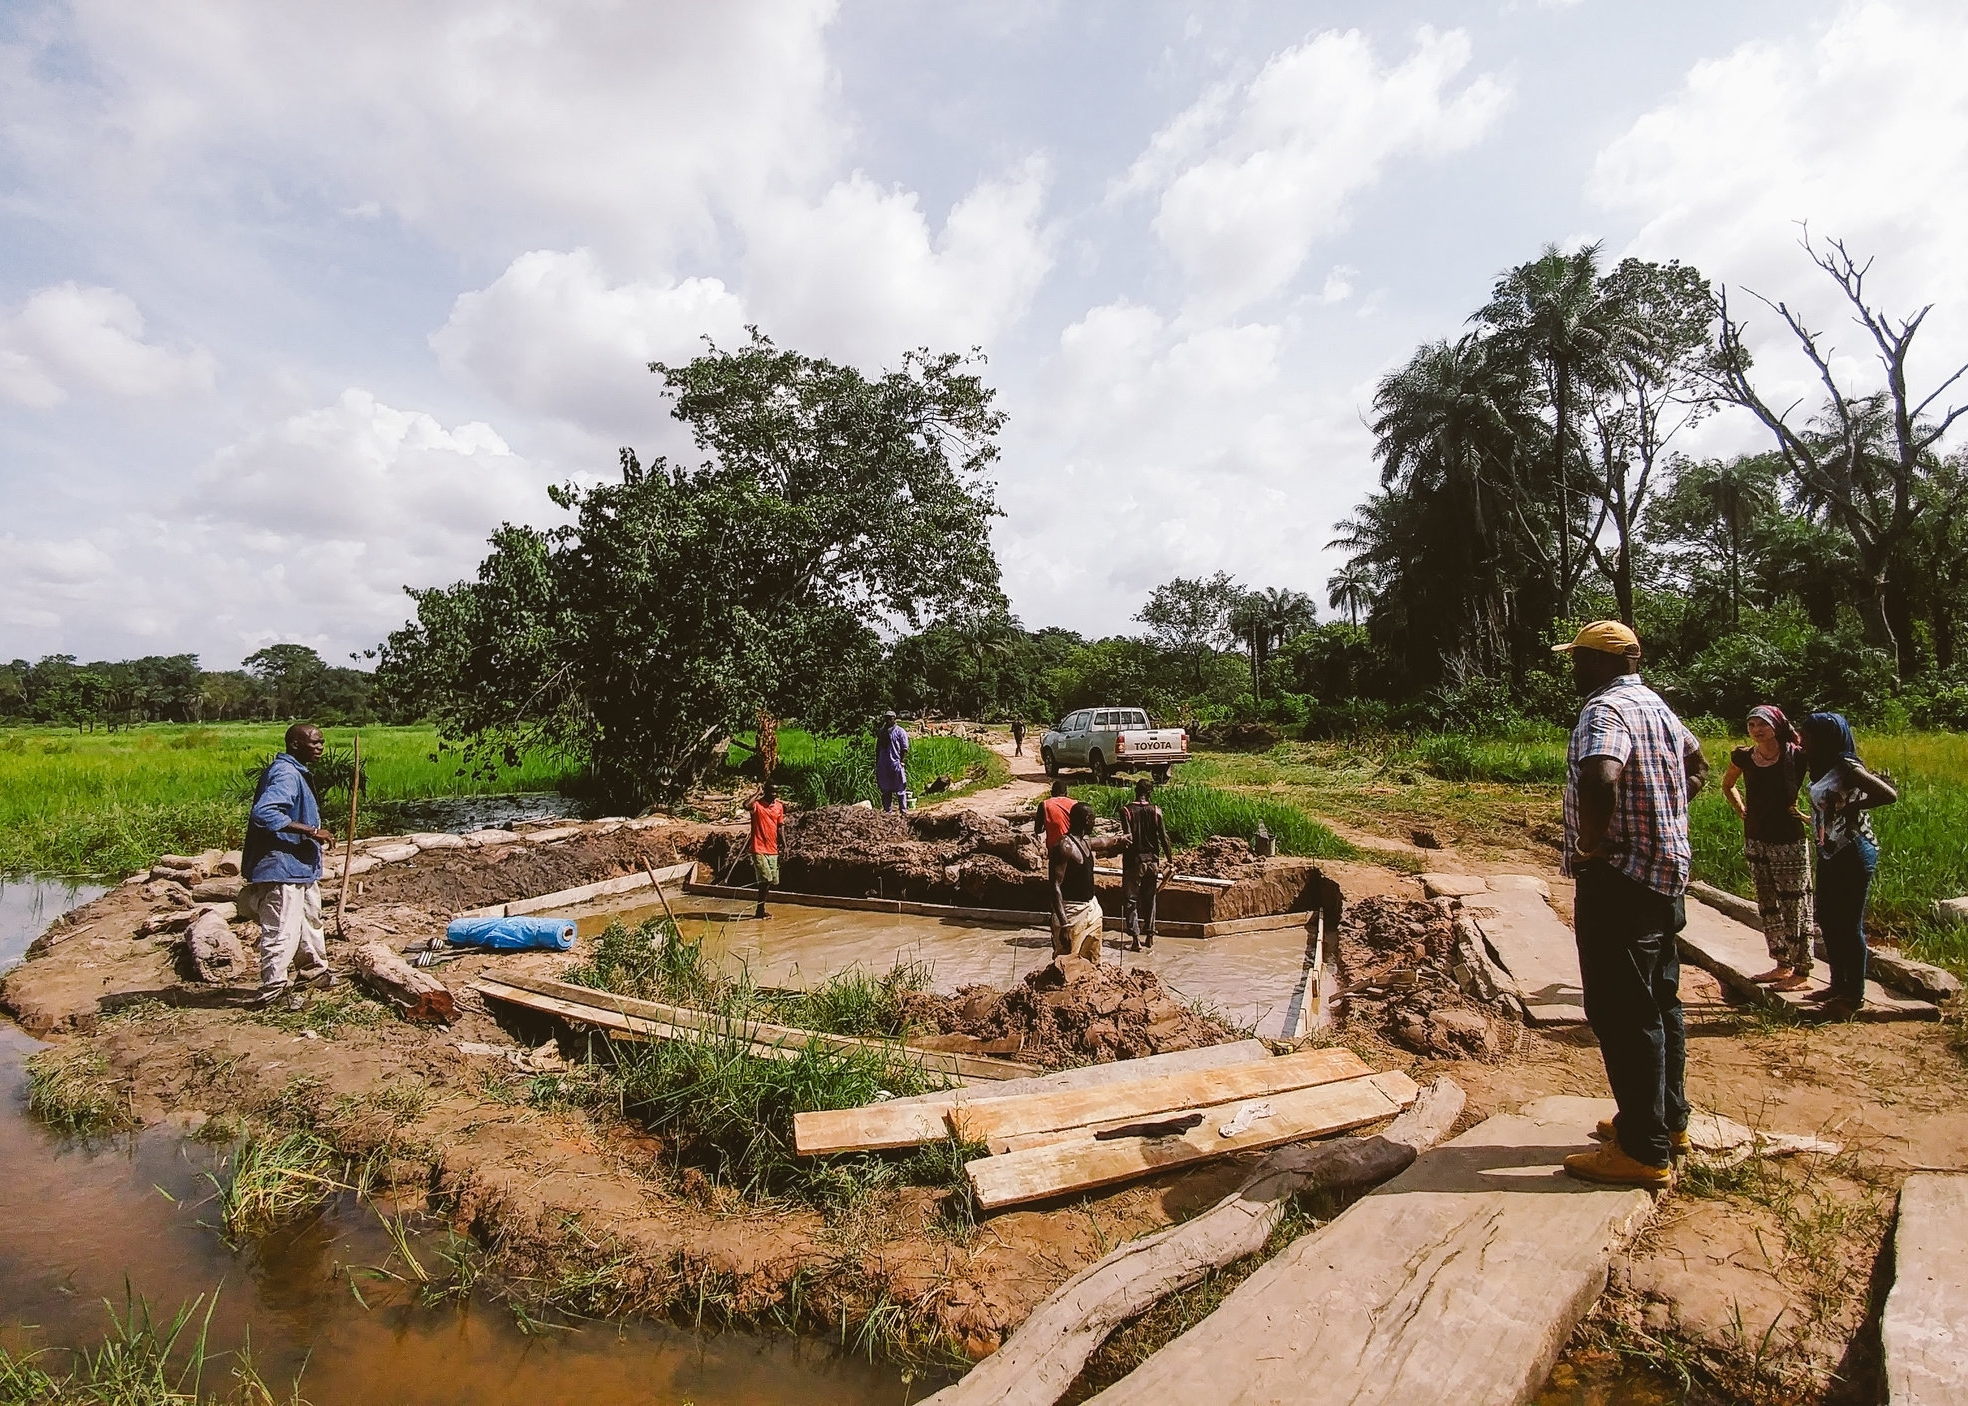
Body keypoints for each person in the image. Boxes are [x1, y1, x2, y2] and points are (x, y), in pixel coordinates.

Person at [1554, 621, 1707, 1188]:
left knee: (1622, 1010)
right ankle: (1666, 1124)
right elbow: (1697, 765)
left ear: (1598, 662)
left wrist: (1594, 844)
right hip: (1664, 875)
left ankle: (1642, 1151)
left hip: (1619, 878)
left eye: (1578, 660)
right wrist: (1665, 812)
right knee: (1661, 999)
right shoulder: (1658, 708)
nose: (1573, 670)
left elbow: (1601, 778)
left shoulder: (1604, 711)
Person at [1799, 713, 1897, 1021]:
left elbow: (1888, 794)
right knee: (1827, 919)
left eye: (1808, 736)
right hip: (1830, 851)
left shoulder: (1847, 767)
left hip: (1853, 851)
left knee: (1848, 924)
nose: (1803, 741)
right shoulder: (1823, 766)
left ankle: (1854, 995)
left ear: (1826, 739)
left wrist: (1852, 806)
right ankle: (1837, 984)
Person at [240, 723, 338, 1010]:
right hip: (281, 866)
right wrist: (309, 831)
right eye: (315, 743)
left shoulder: (296, 772)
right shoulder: (285, 773)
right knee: (282, 928)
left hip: (299, 865)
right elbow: (265, 812)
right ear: (295, 744)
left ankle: (313, 972)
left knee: (310, 920)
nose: (320, 747)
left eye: (322, 742)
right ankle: (273, 991)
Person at [1721, 705, 1813, 991]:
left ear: (1777, 725)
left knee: (1795, 902)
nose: (1757, 730)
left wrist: (1812, 815)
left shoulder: (1796, 756)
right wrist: (1742, 809)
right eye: (1751, 725)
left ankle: (1802, 970)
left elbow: (1826, 786)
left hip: (1789, 839)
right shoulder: (1744, 757)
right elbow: (1728, 785)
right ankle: (1781, 963)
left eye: (1762, 724)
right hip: (1756, 837)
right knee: (1768, 902)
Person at [1050, 801, 1128, 963]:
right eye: (1093, 819)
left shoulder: (1085, 841)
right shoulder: (1064, 846)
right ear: (1087, 820)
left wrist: (1120, 839)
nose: (1094, 822)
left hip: (1091, 907)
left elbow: (1104, 842)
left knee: (1093, 958)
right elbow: (1054, 886)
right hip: (1071, 911)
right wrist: (1064, 925)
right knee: (1067, 962)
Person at [1121, 778, 1174, 951]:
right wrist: (1170, 859)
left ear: (1135, 791)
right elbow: (1164, 838)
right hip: (1153, 861)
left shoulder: (1126, 811)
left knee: (1131, 900)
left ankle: (1135, 939)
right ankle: (1150, 936)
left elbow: (1128, 838)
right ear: (1150, 793)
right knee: (1150, 898)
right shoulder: (1156, 811)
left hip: (1134, 862)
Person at [748, 781, 785, 919]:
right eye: (771, 792)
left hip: (772, 849)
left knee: (772, 881)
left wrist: (784, 845)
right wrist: (757, 793)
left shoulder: (779, 807)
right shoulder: (757, 805)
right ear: (765, 791)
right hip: (758, 847)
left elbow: (780, 827)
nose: (774, 795)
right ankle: (759, 910)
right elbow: (746, 805)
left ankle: (760, 909)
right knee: (766, 879)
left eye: (776, 792)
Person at [876, 711, 911, 813]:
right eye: (886, 718)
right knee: (886, 790)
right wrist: (877, 763)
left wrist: (902, 762)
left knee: (900, 789)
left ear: (894, 719)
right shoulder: (882, 732)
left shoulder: (900, 732)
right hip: (883, 764)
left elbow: (904, 749)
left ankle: (903, 811)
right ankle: (888, 811)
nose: (887, 720)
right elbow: (878, 748)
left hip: (895, 763)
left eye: (890, 718)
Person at [1038, 779, 1075, 852]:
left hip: (1055, 848)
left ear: (1051, 793)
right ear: (1066, 793)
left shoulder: (1044, 805)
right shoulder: (1074, 804)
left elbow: (1038, 829)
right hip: (1073, 846)